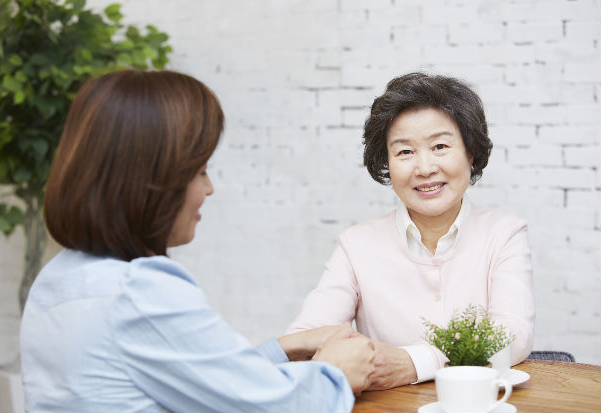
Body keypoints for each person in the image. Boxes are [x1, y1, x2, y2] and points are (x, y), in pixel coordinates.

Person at [20, 70, 375, 412]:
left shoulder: (56, 279)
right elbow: (283, 406)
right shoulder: (138, 293)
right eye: (200, 171)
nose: (209, 189)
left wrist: (281, 349)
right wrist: (336, 373)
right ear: (154, 178)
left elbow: (203, 382)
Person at [286, 72, 534, 389]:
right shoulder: (356, 245)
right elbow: (303, 341)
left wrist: (413, 363)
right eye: (405, 151)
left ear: (470, 153)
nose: (425, 168)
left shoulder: (504, 233)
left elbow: (513, 335)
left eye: (440, 146)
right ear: (387, 162)